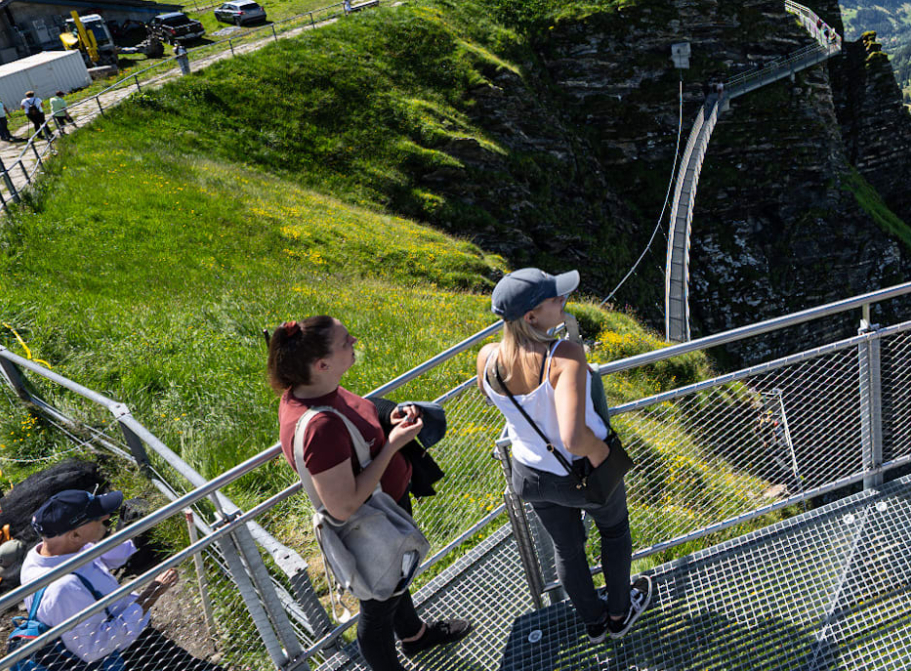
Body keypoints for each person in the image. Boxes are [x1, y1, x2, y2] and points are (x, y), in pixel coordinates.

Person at [268, 318, 471, 671]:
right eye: (346, 341)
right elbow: (344, 505)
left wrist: (387, 417)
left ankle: (414, 635)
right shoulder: (320, 428)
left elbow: (353, 420)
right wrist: (392, 447)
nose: (354, 341)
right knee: (376, 617)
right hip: (371, 523)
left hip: (386, 510)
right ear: (322, 364)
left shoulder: (313, 388)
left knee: (394, 582)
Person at [478, 268, 652, 641]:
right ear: (531, 317)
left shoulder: (488, 359)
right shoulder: (565, 354)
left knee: (567, 548)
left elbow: (501, 402)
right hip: (582, 468)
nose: (564, 302)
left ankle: (593, 622)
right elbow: (574, 438)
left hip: (530, 474)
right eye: (556, 299)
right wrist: (604, 453)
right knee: (615, 531)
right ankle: (620, 615)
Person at [13, 488, 178, 667]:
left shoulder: (42, 555)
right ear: (75, 535)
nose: (106, 517)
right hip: (128, 655)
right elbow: (96, 648)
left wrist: (129, 533)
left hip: (131, 630)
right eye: (95, 517)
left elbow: (100, 557)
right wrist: (151, 595)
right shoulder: (64, 590)